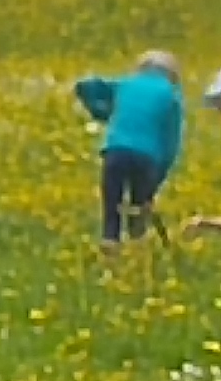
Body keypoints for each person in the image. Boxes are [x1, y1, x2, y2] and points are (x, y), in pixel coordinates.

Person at [76, 49, 186, 247]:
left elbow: (85, 86)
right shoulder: (171, 96)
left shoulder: (125, 84)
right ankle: (137, 251)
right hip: (148, 157)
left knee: (112, 207)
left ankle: (110, 246)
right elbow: (171, 143)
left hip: (115, 150)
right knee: (138, 209)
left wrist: (102, 112)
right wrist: (159, 178)